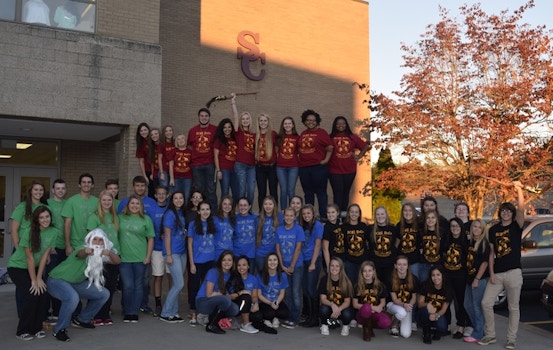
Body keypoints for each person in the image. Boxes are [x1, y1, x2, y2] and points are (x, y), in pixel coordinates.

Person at [47, 229, 119, 342]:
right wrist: (86, 251)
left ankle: (82, 320)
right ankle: (59, 330)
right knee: (72, 298)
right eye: (94, 239)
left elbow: (117, 261)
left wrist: (109, 252)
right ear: (90, 240)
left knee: (104, 294)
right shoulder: (82, 247)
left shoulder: (101, 254)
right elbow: (80, 254)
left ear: (103, 242)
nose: (97, 242)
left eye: (100, 240)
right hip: (56, 281)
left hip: (75, 283)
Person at [479, 181, 525, 349]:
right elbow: (491, 253)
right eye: (503, 210)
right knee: (486, 303)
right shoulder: (493, 230)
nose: (506, 213)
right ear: (500, 213)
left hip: (514, 272)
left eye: (508, 211)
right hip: (497, 273)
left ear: (512, 214)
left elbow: (521, 209)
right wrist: (491, 273)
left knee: (513, 307)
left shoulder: (516, 226)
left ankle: (511, 339)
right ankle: (490, 335)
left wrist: (519, 190)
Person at [8, 206, 58, 341]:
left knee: (42, 294)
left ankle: (37, 328)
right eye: (41, 217)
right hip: (17, 267)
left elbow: (44, 257)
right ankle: (22, 330)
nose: (45, 219)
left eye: (47, 216)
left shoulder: (53, 232)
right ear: (36, 219)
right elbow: (29, 258)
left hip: (35, 267)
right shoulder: (30, 232)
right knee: (32, 293)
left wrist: (39, 278)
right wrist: (34, 280)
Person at [86, 190, 121, 326]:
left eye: (109, 200)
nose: (107, 203)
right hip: (99, 257)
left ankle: (105, 314)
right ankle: (94, 314)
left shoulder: (114, 217)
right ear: (99, 202)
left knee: (110, 287)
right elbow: (90, 238)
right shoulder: (94, 217)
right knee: (97, 286)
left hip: (113, 255)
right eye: (104, 200)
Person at [118, 195, 155, 323]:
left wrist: (148, 256)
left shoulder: (146, 219)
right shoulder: (120, 218)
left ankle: (134, 311)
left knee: (138, 286)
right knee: (128, 286)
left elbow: (151, 238)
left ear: (141, 206)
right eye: (132, 203)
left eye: (137, 204)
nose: (134, 206)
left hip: (141, 258)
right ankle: (127, 310)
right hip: (124, 258)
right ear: (128, 205)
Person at [328, 116, 369, 212]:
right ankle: (336, 216)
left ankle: (343, 214)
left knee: (345, 193)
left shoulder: (352, 137)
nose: (340, 125)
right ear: (335, 125)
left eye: (343, 123)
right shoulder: (330, 137)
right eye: (338, 124)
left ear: (346, 125)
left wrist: (359, 156)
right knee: (337, 193)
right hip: (334, 170)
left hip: (350, 170)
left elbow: (365, 146)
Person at [298, 109, 334, 218]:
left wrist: (326, 160)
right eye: (308, 120)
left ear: (317, 121)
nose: (311, 122)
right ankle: (309, 217)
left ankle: (323, 216)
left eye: (313, 120)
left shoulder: (321, 132)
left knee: (320, 192)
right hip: (304, 168)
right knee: (308, 193)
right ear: (304, 121)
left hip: (318, 167)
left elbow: (330, 147)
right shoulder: (303, 133)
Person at [195, 250, 240, 334]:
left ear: (233, 262)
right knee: (225, 300)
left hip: (216, 302)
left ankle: (208, 317)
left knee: (235, 309)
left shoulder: (231, 275)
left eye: (229, 260)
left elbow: (227, 294)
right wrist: (221, 294)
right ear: (220, 261)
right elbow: (209, 294)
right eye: (224, 260)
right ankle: (211, 325)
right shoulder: (213, 272)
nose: (227, 262)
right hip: (203, 302)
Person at [187, 201, 217, 325]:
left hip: (210, 261)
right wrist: (192, 263)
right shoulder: (193, 224)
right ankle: (193, 312)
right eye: (203, 209)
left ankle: (204, 312)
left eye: (208, 209)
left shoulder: (213, 223)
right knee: (194, 287)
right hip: (197, 261)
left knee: (207, 288)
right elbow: (189, 244)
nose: (205, 212)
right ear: (198, 211)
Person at [159, 191, 187, 323]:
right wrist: (169, 255)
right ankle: (165, 312)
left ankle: (174, 312)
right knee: (179, 283)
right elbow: (167, 235)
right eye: (176, 198)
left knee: (177, 284)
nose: (178, 200)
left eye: (181, 197)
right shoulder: (170, 214)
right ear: (172, 200)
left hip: (182, 252)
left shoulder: (181, 213)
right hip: (173, 253)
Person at [276, 207, 305, 329]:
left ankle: (295, 318)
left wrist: (292, 265)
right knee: (287, 293)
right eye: (286, 215)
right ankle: (288, 317)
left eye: (291, 216)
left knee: (296, 292)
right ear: (283, 216)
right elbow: (277, 248)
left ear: (295, 217)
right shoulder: (279, 230)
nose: (288, 218)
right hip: (284, 266)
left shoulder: (298, 229)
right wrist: (282, 265)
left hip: (296, 266)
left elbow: (298, 248)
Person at [441, 217, 470, 338]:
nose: (455, 228)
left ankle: (460, 326)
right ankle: (447, 325)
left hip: (460, 275)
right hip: (447, 274)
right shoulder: (446, 239)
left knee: (460, 302)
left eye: (457, 226)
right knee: (446, 300)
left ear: (461, 227)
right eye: (452, 226)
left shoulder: (466, 241)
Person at [463, 219, 490, 343]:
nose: (476, 229)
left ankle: (478, 334)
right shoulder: (471, 242)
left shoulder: (484, 243)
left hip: (478, 279)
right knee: (467, 305)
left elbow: (484, 263)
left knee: (477, 306)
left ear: (483, 230)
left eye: (479, 227)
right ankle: (479, 329)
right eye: (475, 227)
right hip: (469, 278)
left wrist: (477, 279)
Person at [353, 260, 392, 341]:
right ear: (361, 273)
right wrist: (372, 308)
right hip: (362, 314)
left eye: (370, 271)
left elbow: (383, 302)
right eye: (365, 271)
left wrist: (379, 307)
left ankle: (370, 327)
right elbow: (355, 304)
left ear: (374, 272)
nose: (367, 273)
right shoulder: (357, 285)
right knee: (367, 307)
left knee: (386, 322)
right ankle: (366, 330)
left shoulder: (380, 285)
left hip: (375, 313)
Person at [187, 107, 218, 209]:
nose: (204, 118)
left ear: (209, 117)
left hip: (210, 164)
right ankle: (198, 212)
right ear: (198, 117)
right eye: (202, 116)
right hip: (196, 165)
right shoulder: (192, 131)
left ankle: (213, 214)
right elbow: (190, 146)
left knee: (211, 190)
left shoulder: (215, 130)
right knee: (198, 190)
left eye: (206, 116)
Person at [251, 253, 289, 334]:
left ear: (278, 262)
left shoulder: (283, 275)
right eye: (270, 260)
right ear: (266, 262)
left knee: (284, 312)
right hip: (265, 301)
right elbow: (259, 295)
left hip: (276, 300)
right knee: (269, 313)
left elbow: (282, 293)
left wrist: (277, 302)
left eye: (275, 260)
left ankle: (275, 318)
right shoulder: (260, 276)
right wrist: (270, 303)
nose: (272, 262)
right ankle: (267, 319)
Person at [62, 173, 98, 257]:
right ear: (79, 185)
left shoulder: (97, 202)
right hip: (76, 244)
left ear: (92, 185)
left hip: (93, 244)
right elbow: (67, 224)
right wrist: (68, 245)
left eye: (89, 182)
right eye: (84, 182)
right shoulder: (71, 201)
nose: (86, 184)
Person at [299, 204, 323, 328]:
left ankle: (315, 317)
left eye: (308, 213)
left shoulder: (318, 226)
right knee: (305, 288)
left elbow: (318, 245)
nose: (306, 216)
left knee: (311, 288)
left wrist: (313, 263)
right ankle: (309, 316)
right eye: (304, 214)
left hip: (313, 260)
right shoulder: (303, 226)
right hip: (303, 260)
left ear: (313, 213)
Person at [148, 185, 169, 317]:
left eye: (164, 194)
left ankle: (171, 303)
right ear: (155, 196)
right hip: (156, 248)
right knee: (158, 276)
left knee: (171, 276)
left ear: (167, 195)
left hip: (170, 249)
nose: (161, 196)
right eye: (159, 194)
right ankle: (158, 304)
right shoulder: (150, 210)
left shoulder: (170, 209)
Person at [319, 257, 354, 337]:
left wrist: (339, 309)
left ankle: (345, 325)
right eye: (332, 265)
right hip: (330, 306)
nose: (334, 268)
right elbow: (323, 299)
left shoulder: (346, 281)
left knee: (348, 314)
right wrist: (332, 305)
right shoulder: (324, 279)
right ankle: (324, 325)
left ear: (341, 268)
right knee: (323, 309)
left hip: (342, 307)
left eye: (337, 266)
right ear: (329, 266)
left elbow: (347, 301)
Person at [231, 94, 256, 205]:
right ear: (241, 121)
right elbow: (235, 117)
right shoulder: (238, 133)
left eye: (247, 119)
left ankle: (248, 212)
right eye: (243, 119)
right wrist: (233, 103)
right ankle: (240, 212)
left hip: (252, 166)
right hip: (240, 164)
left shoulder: (254, 135)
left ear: (250, 121)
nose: (245, 121)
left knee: (251, 189)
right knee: (242, 189)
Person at [417, 265, 452, 344]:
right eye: (433, 275)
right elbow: (420, 304)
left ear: (442, 275)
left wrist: (436, 315)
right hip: (425, 313)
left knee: (442, 327)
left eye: (438, 275)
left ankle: (436, 330)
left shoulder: (448, 288)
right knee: (424, 310)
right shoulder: (426, 285)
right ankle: (426, 332)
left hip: (438, 314)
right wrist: (428, 304)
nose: (436, 278)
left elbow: (443, 309)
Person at [387, 255, 419, 339]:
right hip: (393, 305)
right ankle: (394, 324)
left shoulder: (413, 279)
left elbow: (414, 297)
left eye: (404, 264)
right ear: (395, 266)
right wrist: (404, 305)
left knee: (406, 334)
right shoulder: (391, 278)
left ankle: (399, 319)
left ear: (408, 266)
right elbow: (394, 299)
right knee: (401, 312)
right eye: (399, 264)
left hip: (407, 306)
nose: (402, 267)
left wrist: (409, 306)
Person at [228, 255, 260, 333]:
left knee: (258, 316)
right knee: (246, 296)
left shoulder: (253, 279)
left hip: (247, 306)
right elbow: (230, 297)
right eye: (239, 265)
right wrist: (241, 293)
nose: (241, 267)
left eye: (244, 265)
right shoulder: (232, 278)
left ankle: (241, 320)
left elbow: (255, 296)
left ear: (248, 266)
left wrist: (255, 304)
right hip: (235, 305)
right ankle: (245, 324)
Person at [341, 204, 371, 284]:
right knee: (350, 284)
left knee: (361, 284)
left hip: (362, 260)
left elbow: (370, 241)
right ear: (348, 213)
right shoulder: (343, 227)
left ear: (359, 213)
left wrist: (367, 256)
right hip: (349, 261)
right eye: (352, 212)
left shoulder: (363, 226)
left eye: (356, 212)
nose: (354, 214)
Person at [369, 206, 398, 286]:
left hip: (389, 263)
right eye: (378, 214)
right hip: (375, 263)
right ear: (375, 216)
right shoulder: (370, 229)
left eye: (382, 214)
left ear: (386, 215)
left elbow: (397, 242)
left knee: (388, 285)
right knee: (376, 286)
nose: (380, 216)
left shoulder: (393, 228)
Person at [255, 113, 279, 209]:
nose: (263, 122)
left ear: (268, 122)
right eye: (261, 120)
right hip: (260, 167)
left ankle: (274, 213)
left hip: (272, 166)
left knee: (273, 191)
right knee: (262, 191)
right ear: (258, 122)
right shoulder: (255, 135)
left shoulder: (273, 134)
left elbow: (277, 149)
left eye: (265, 120)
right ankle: (262, 213)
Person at [276, 116, 299, 211]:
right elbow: (276, 151)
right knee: (283, 190)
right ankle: (283, 211)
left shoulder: (297, 137)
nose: (287, 125)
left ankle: (293, 211)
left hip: (293, 166)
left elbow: (299, 151)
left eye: (289, 123)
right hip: (280, 167)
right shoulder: (279, 137)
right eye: (285, 123)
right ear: (283, 125)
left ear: (293, 125)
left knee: (291, 190)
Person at [214, 118, 239, 199]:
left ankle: (233, 210)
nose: (227, 129)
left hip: (235, 169)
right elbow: (216, 156)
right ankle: (223, 211)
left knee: (236, 192)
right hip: (224, 169)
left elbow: (236, 121)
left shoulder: (235, 139)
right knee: (225, 192)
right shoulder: (219, 140)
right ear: (222, 129)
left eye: (229, 127)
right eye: (225, 127)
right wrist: (218, 171)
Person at [396, 203, 422, 281]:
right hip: (402, 261)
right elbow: (397, 243)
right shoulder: (399, 225)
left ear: (413, 212)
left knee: (415, 281)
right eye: (405, 210)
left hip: (415, 260)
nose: (408, 213)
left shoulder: (419, 224)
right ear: (402, 212)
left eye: (410, 210)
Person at [255, 196, 281, 272]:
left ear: (274, 205)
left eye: (270, 204)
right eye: (265, 204)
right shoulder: (258, 219)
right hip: (261, 253)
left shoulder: (280, 217)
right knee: (262, 277)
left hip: (274, 253)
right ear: (262, 206)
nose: (268, 206)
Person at [233, 197, 258, 272]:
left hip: (251, 254)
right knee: (237, 279)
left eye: (245, 205)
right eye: (240, 205)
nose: (242, 207)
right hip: (237, 254)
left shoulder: (255, 218)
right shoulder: (233, 218)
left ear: (249, 206)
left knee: (249, 278)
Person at [419, 210, 442, 283]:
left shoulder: (442, 232)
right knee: (423, 286)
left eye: (433, 217)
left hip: (438, 264)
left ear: (436, 219)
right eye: (428, 218)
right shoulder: (421, 232)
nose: (430, 220)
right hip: (424, 264)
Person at [169, 134, 193, 201]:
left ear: (186, 140)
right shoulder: (173, 151)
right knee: (177, 197)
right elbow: (171, 165)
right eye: (178, 139)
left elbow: (192, 165)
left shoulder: (190, 152)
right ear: (176, 142)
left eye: (182, 138)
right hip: (176, 178)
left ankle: (185, 211)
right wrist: (171, 178)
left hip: (188, 178)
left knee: (187, 196)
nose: (181, 140)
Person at [322, 203, 344, 271]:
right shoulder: (327, 227)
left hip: (341, 260)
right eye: (328, 213)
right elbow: (325, 248)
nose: (331, 214)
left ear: (337, 213)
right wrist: (329, 266)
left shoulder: (340, 225)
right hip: (332, 262)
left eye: (333, 212)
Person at [135, 123, 155, 197]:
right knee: (151, 191)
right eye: (141, 131)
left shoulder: (154, 140)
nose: (143, 132)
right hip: (148, 171)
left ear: (148, 130)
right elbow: (141, 161)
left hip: (157, 170)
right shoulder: (141, 144)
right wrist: (145, 176)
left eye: (145, 130)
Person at [214, 195, 236, 261]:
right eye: (225, 204)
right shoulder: (214, 219)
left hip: (230, 253)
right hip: (218, 254)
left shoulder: (234, 219)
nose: (227, 206)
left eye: (229, 204)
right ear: (221, 205)